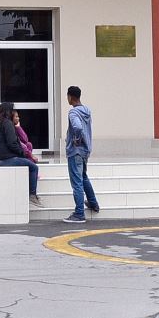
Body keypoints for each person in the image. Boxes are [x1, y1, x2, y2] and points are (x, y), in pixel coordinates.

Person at [0, 101, 41, 209]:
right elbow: (12, 143)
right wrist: (23, 154)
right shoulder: (7, 123)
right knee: (33, 167)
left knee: (27, 164)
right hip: (7, 159)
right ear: (8, 112)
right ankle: (32, 195)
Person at [65, 85, 100, 223]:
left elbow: (78, 127)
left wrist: (76, 140)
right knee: (84, 177)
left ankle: (79, 213)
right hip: (85, 151)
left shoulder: (73, 113)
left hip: (76, 151)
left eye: (67, 96)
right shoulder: (87, 110)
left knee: (77, 182)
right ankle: (93, 203)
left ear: (70, 97)